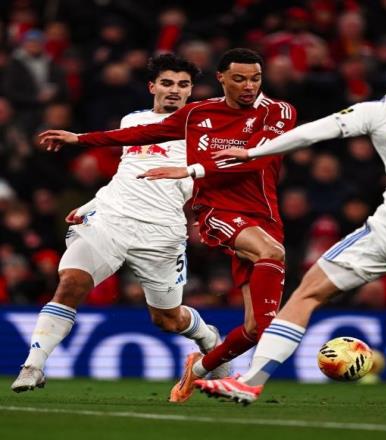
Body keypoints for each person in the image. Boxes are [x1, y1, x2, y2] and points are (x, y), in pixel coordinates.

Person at [192, 48, 386, 404]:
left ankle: (250, 381)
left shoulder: (380, 109)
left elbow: (312, 133)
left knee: (307, 295)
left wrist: (252, 152)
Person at [39, 48, 297, 403]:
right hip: (218, 210)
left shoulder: (279, 111)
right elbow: (142, 134)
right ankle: (252, 376)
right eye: (239, 78)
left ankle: (199, 369)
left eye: (255, 78)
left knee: (254, 328)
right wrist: (80, 139)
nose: (249, 86)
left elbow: (254, 158)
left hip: (265, 216)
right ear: (221, 79)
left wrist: (190, 170)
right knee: (272, 254)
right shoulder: (198, 114)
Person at [11, 53, 230, 393]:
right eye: (167, 83)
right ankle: (33, 366)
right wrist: (93, 203)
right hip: (111, 220)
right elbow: (126, 172)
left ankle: (208, 337)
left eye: (183, 84)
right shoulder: (133, 121)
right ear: (152, 86)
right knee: (71, 282)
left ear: (191, 91)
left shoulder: (208, 130)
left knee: (168, 319)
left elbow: (218, 176)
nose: (175, 90)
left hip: (161, 232)